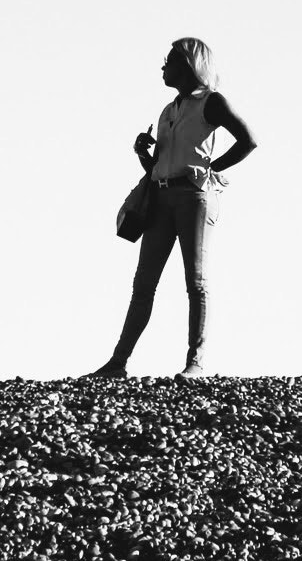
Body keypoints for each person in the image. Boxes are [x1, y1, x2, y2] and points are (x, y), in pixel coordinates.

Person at [86, 37, 257, 379]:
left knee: (195, 280)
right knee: (143, 283)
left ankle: (196, 362)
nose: (163, 68)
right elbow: (157, 168)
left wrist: (213, 168)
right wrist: (142, 153)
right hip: (161, 197)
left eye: (169, 61)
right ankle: (118, 363)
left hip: (194, 197)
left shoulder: (211, 102)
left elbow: (247, 141)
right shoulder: (168, 110)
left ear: (189, 65)